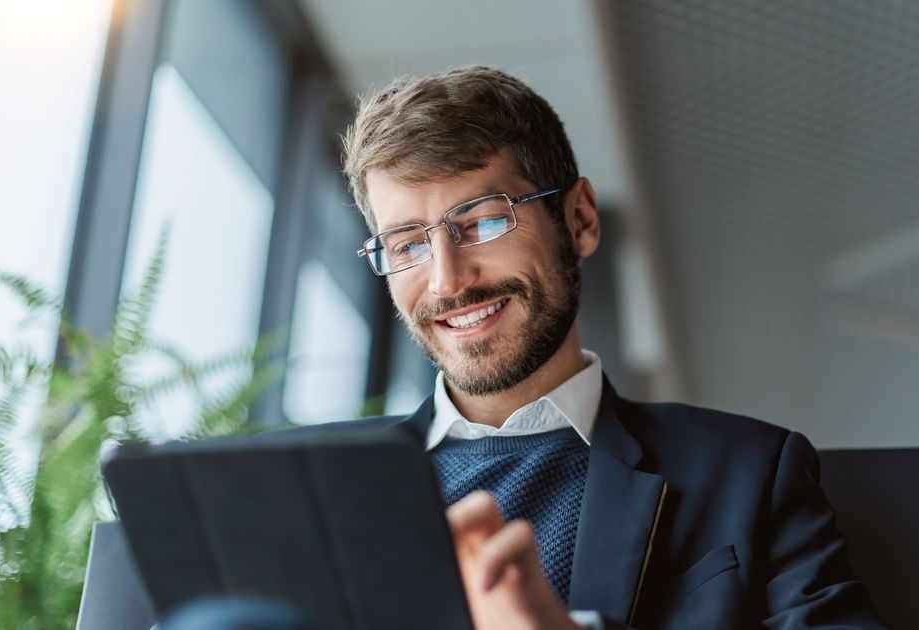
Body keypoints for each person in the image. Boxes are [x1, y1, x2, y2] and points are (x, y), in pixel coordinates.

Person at [327, 65, 885, 629]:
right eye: (407, 246)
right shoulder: (313, 489)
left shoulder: (749, 474)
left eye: (483, 223)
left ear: (579, 220)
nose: (448, 281)